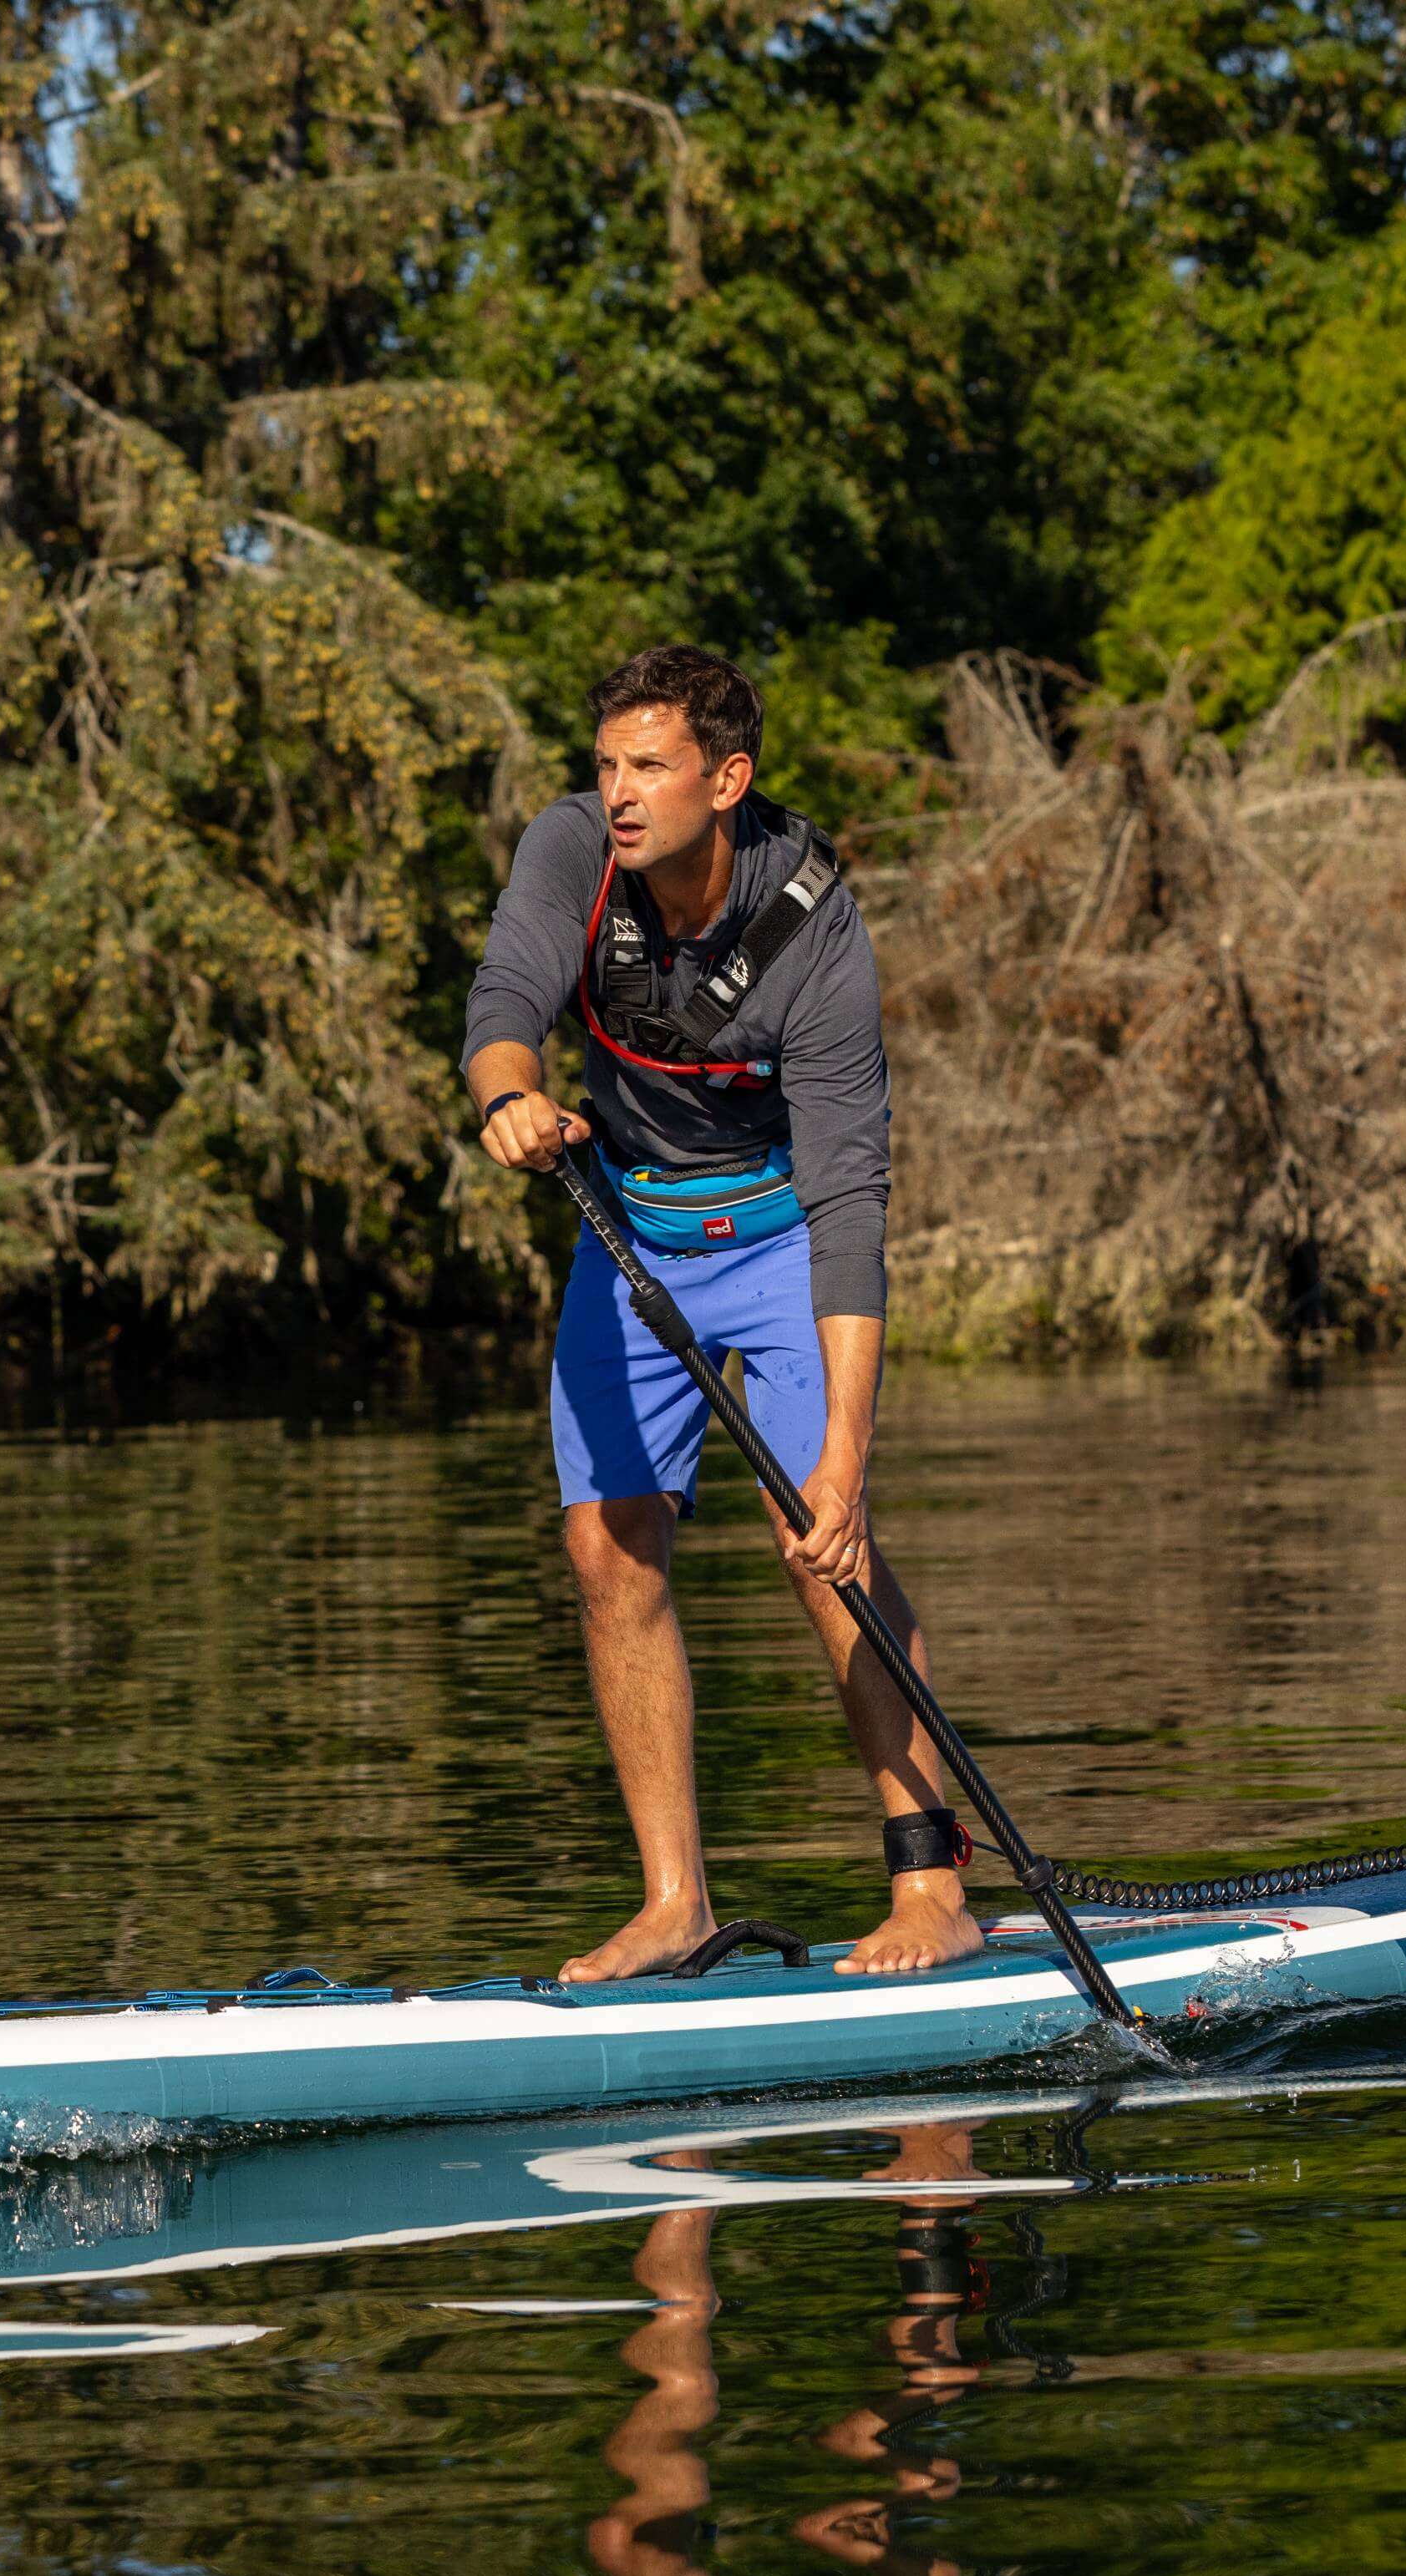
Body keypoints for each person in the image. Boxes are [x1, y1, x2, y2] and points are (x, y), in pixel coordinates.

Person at [465, 643, 974, 1984]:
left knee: (826, 1542)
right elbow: (506, 1002)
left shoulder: (815, 927)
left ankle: (931, 1886)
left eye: (650, 768)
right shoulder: (574, 855)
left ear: (726, 778)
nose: (618, 795)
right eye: (607, 767)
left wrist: (847, 1458)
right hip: (633, 1228)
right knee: (604, 1549)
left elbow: (852, 1201)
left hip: (785, 1239)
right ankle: (674, 1901)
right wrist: (508, 1094)